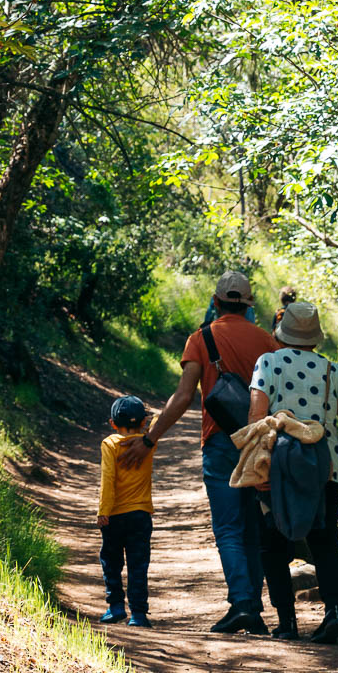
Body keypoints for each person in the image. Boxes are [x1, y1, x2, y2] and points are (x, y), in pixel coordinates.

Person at [122, 271, 276, 633]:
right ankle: (252, 605)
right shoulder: (267, 342)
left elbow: (183, 396)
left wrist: (149, 438)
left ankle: (241, 604)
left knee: (228, 527)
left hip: (221, 441)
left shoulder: (201, 339)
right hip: (258, 442)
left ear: (216, 301)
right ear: (248, 305)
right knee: (252, 527)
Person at [248, 301, 338, 643]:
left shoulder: (267, 362)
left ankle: (287, 622)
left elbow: (257, 417)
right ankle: (333, 614)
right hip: (325, 469)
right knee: (325, 542)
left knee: (273, 542)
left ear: (283, 333)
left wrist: (259, 467)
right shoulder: (333, 371)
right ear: (314, 336)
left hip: (280, 467)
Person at [97, 395, 154, 627]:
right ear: (143, 422)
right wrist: (147, 421)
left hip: (114, 515)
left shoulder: (110, 444)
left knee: (111, 561)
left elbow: (108, 478)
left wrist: (103, 510)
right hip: (140, 515)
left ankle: (116, 607)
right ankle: (138, 614)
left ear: (112, 423)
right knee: (138, 564)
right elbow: (161, 417)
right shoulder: (149, 442)